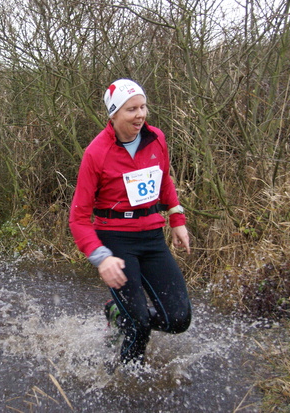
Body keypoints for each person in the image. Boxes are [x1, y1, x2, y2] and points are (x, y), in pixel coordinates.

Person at [69, 78, 192, 365]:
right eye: (131, 109)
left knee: (178, 319)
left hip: (151, 237)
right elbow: (78, 219)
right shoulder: (96, 153)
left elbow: (164, 181)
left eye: (143, 107)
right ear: (113, 115)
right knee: (139, 324)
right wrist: (101, 258)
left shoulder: (156, 138)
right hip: (115, 241)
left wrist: (176, 217)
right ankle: (127, 383)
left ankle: (117, 312)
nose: (140, 115)